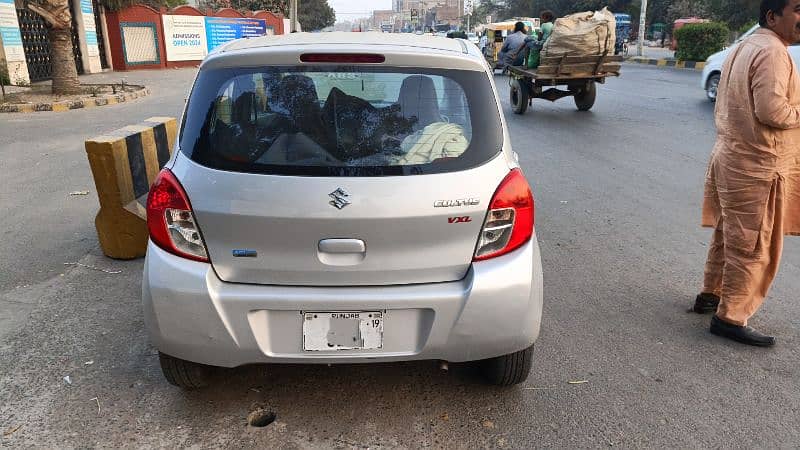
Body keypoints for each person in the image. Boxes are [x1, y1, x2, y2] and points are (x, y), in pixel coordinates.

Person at [694, 0, 800, 347]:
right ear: (772, 16)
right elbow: (772, 111)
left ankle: (711, 295)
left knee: (729, 235)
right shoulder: (772, 51)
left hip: (731, 157)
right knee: (753, 244)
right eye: (797, 9)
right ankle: (731, 317)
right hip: (755, 166)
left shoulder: (746, 45)